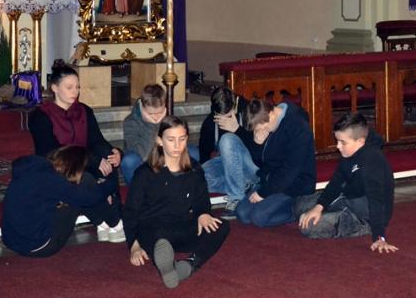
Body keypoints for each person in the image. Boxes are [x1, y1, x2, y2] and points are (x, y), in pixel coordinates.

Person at [123, 116, 230, 289]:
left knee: (221, 226)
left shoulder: (194, 169)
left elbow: (202, 201)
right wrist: (134, 246)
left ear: (187, 139)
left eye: (182, 139)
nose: (177, 145)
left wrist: (203, 214)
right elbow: (130, 211)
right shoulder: (145, 173)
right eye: (171, 140)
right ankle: (166, 263)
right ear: (160, 140)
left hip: (181, 226)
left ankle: (189, 264)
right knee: (156, 237)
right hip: (153, 229)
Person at [28, 60, 124, 242]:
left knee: (109, 164)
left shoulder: (84, 110)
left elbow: (96, 140)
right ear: (55, 88)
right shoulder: (40, 115)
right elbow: (51, 152)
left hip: (85, 161)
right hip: (57, 166)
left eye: (77, 87)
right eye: (69, 87)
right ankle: (112, 222)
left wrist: (114, 152)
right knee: (83, 179)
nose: (75, 92)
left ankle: (104, 222)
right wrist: (93, 160)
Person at [297, 112, 398, 253]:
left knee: (308, 227)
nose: (338, 146)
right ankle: (328, 210)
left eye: (342, 142)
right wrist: (319, 207)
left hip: (364, 215)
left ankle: (360, 227)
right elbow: (336, 182)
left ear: (360, 142)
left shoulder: (372, 160)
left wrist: (379, 237)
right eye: (337, 141)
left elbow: (376, 199)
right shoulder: (350, 151)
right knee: (300, 205)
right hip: (348, 198)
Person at [1, 145, 122, 257]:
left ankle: (103, 225)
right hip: (39, 246)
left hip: (12, 242)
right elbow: (90, 198)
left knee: (79, 191)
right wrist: (110, 183)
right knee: (85, 182)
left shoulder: (31, 170)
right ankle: (115, 225)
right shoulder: (50, 178)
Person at [235, 98, 316, 228]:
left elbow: (290, 170)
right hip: (271, 181)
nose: (262, 132)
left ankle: (299, 209)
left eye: (263, 128)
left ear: (271, 115)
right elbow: (260, 163)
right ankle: (272, 203)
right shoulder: (267, 121)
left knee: (259, 217)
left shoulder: (298, 125)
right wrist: (257, 145)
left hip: (295, 186)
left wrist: (263, 193)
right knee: (242, 214)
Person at [200, 87, 260, 218]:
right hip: (231, 168)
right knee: (198, 177)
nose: (224, 120)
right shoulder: (210, 122)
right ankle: (244, 185)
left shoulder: (250, 111)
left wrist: (237, 129)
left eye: (228, 115)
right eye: (220, 117)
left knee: (227, 139)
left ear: (235, 105)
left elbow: (259, 148)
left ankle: (236, 197)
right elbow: (204, 155)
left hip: (253, 165)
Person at [121, 84, 168, 184]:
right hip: (142, 165)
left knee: (193, 152)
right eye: (151, 114)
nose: (156, 117)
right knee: (129, 161)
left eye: (160, 113)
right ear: (142, 107)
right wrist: (151, 124)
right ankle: (137, 191)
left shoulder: (167, 117)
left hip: (163, 161)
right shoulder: (130, 122)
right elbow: (143, 155)